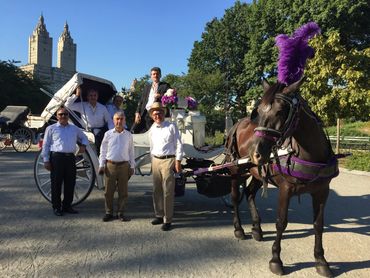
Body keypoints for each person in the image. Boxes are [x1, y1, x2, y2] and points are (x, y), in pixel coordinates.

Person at [41, 107, 89, 216]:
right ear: (57, 116)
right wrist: (46, 160)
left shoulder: (74, 128)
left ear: (68, 116)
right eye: (61, 114)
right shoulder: (51, 128)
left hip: (70, 158)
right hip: (57, 158)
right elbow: (46, 145)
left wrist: (84, 145)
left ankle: (67, 206)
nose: (63, 116)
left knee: (70, 183)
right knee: (56, 183)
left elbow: (84, 137)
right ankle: (57, 207)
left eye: (65, 114)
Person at [148, 102, 183, 231]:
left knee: (168, 191)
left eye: (160, 112)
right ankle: (159, 214)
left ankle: (167, 219)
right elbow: (151, 146)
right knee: (156, 190)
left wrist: (178, 161)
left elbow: (179, 144)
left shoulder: (171, 127)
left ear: (164, 113)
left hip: (168, 160)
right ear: (152, 115)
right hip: (156, 160)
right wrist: (152, 160)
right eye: (155, 113)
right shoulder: (152, 128)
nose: (157, 115)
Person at [98, 111, 135, 222]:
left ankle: (120, 213)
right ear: (114, 120)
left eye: (121, 119)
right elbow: (103, 151)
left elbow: (131, 151)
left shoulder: (128, 135)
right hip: (110, 165)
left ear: (124, 120)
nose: (119, 121)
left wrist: (132, 166)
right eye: (117, 119)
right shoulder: (108, 134)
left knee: (123, 192)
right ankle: (109, 212)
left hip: (124, 166)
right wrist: (101, 165)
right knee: (108, 191)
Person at [65, 87, 113, 154]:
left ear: (97, 96)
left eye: (94, 95)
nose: (93, 97)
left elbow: (109, 121)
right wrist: (76, 95)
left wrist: (113, 131)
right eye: (90, 95)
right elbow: (67, 105)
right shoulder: (82, 105)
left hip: (101, 132)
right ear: (87, 97)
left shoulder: (103, 108)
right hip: (87, 132)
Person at [131, 67, 170, 133]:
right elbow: (141, 101)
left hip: (157, 113)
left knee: (156, 133)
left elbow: (170, 98)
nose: (155, 75)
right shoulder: (147, 87)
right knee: (136, 131)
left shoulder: (165, 86)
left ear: (160, 75)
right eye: (153, 74)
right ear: (151, 76)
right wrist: (137, 112)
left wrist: (160, 96)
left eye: (157, 74)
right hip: (145, 112)